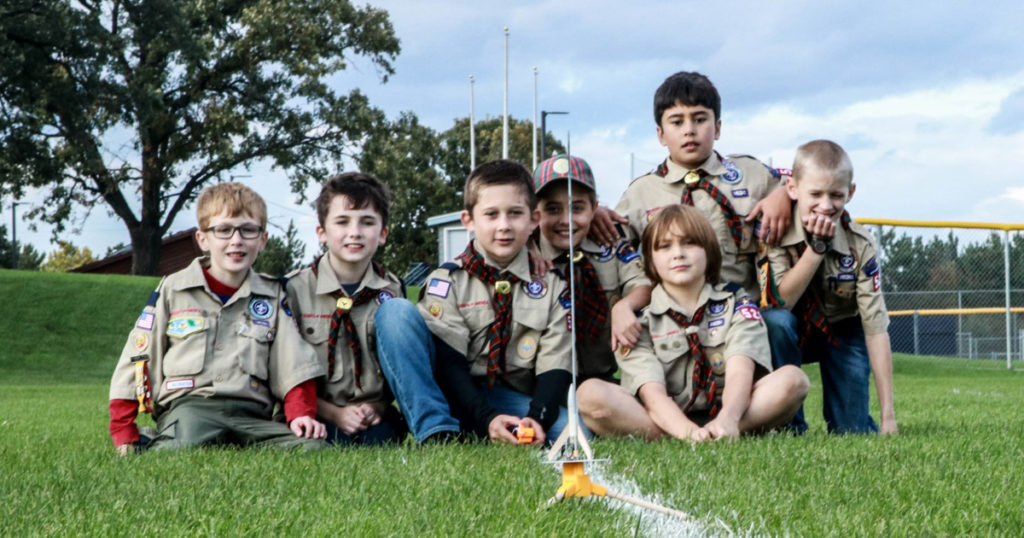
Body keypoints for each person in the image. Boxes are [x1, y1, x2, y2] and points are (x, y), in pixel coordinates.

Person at [108, 182, 326, 455]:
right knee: (175, 453)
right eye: (224, 230)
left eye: (248, 230)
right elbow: (139, 357)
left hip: (252, 416)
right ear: (203, 239)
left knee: (313, 450)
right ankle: (153, 440)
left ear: (263, 240)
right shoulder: (173, 290)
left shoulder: (271, 296)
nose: (236, 240)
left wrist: (300, 414)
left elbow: (293, 359)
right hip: (191, 408)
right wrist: (123, 429)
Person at [377, 159, 574, 446]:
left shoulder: (552, 284)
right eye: (491, 214)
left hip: (505, 396)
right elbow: (449, 364)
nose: (504, 226)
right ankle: (437, 433)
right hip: (450, 395)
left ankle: (492, 431)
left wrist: (537, 418)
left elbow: (555, 364)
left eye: (515, 214)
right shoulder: (447, 281)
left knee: (573, 431)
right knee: (395, 312)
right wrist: (486, 418)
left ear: (534, 219)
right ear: (468, 220)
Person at [577, 204, 808, 442]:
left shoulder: (737, 305)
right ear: (651, 261)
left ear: (709, 251)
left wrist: (728, 418)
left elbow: (741, 372)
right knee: (589, 394)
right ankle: (683, 439)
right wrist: (687, 432)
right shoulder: (639, 322)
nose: (678, 253)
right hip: (663, 419)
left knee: (793, 379)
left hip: (730, 411)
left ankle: (723, 431)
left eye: (689, 243)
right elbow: (652, 394)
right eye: (665, 246)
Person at [591, 71, 792, 296]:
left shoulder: (752, 174)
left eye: (699, 119)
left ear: (717, 128)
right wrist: (594, 213)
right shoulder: (642, 192)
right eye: (677, 122)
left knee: (780, 323)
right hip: (670, 317)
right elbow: (611, 241)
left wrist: (782, 194)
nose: (689, 130)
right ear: (661, 135)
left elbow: (809, 185)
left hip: (744, 310)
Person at [758, 140, 897, 435]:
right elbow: (782, 303)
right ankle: (788, 425)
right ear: (792, 189)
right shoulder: (776, 230)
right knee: (775, 322)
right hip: (792, 328)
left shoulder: (861, 244)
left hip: (842, 331)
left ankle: (860, 420)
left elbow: (875, 329)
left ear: (851, 193)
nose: (826, 204)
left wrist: (889, 418)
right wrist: (816, 249)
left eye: (836, 195)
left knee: (851, 432)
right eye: (816, 194)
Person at [284, 172, 407, 445]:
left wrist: (379, 407)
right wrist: (334, 413)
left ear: (383, 233)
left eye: (367, 222)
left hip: (372, 415)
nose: (355, 233)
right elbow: (284, 368)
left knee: (381, 446)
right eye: (342, 222)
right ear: (322, 233)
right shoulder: (295, 290)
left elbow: (401, 367)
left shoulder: (393, 292)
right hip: (318, 414)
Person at [532, 154, 651, 382]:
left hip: (605, 378)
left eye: (577, 209)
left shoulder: (609, 242)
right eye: (553, 209)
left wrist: (624, 306)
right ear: (535, 213)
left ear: (594, 208)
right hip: (540, 383)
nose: (566, 220)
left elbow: (643, 284)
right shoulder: (525, 252)